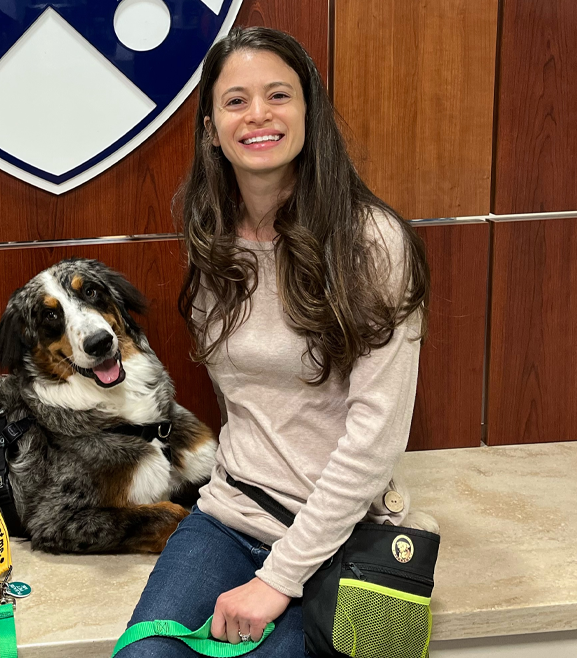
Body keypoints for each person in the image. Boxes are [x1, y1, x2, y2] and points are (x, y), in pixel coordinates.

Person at [115, 26, 430, 657]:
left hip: (338, 532)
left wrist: (277, 579)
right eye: (236, 101)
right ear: (211, 129)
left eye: (278, 95)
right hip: (228, 515)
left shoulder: (373, 243)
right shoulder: (213, 241)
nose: (258, 115)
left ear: (309, 111)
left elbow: (377, 433)